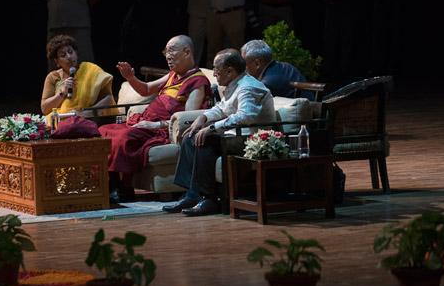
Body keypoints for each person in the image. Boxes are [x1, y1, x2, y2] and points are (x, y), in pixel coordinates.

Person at [99, 35, 212, 203]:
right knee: (104, 131)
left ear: (187, 52)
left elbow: (187, 120)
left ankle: (125, 187)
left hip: (161, 129)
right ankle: (111, 184)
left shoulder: (197, 82)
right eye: (166, 51)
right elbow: (145, 90)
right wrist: (131, 78)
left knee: (125, 137)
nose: (167, 55)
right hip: (145, 122)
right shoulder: (173, 75)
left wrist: (156, 124)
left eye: (172, 50)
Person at [163, 49, 276, 216]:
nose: (214, 73)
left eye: (216, 69)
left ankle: (209, 199)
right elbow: (222, 108)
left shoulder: (248, 87)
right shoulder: (233, 84)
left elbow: (246, 116)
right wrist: (203, 117)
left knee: (204, 140)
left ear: (229, 70)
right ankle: (192, 195)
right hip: (235, 134)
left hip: (251, 137)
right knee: (189, 136)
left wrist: (212, 128)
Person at [41, 35, 117, 121]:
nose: (69, 57)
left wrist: (84, 114)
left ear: (76, 53)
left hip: (88, 120)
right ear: (56, 61)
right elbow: (45, 109)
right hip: (60, 122)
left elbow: (108, 100)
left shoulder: (91, 70)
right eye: (63, 55)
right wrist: (63, 92)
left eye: (70, 52)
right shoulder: (53, 77)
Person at [241, 39, 314, 100]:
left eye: (244, 64)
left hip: (306, 116)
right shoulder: (286, 66)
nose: (244, 69)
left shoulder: (267, 84)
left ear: (257, 64)